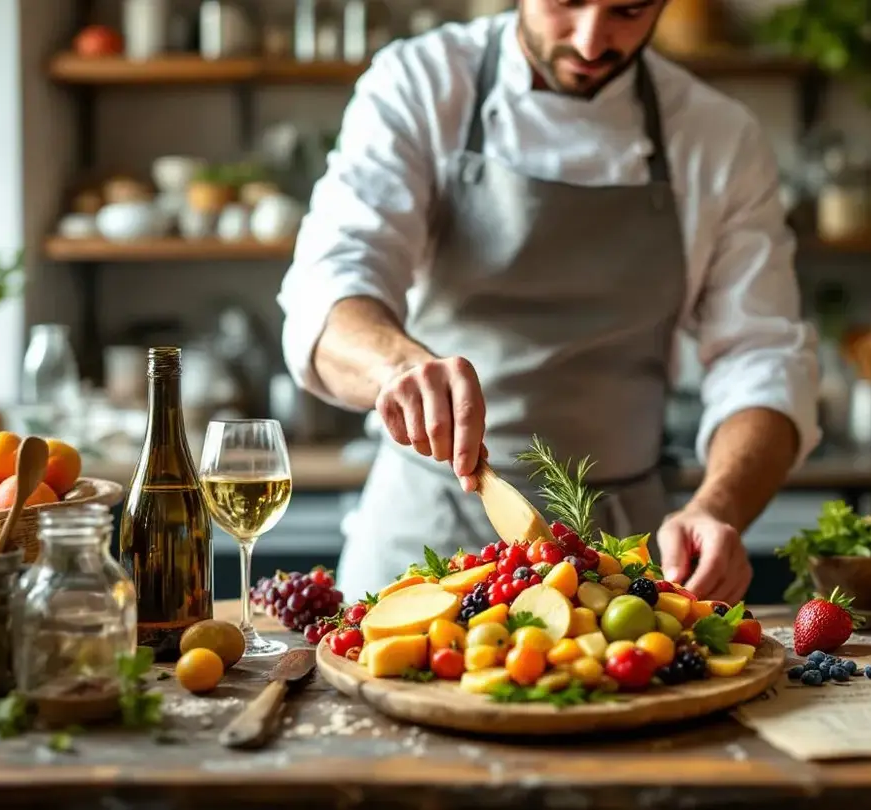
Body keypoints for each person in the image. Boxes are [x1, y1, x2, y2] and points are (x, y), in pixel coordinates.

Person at [277, 0, 820, 604]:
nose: (591, 42)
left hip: (619, 560)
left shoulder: (718, 137)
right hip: (424, 537)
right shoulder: (422, 83)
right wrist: (397, 368)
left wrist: (717, 506)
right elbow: (329, 289)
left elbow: (764, 355)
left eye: (628, 11)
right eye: (566, 3)